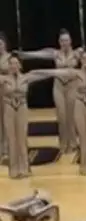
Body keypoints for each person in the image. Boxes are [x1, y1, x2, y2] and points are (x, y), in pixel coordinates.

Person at [0, 55, 65, 178]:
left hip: (22, 109)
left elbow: (43, 73)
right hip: (9, 110)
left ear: (20, 65)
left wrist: (59, 72)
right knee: (11, 139)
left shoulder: (27, 77)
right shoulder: (3, 79)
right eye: (11, 64)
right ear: (8, 66)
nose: (13, 66)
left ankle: (24, 167)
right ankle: (14, 169)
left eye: (15, 63)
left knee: (22, 138)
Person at [18, 29, 82, 153]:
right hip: (58, 86)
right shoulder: (55, 53)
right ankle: (63, 144)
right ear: (59, 42)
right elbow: (39, 54)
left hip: (73, 86)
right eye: (62, 40)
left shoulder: (77, 53)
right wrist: (24, 55)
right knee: (61, 116)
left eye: (67, 40)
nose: (64, 43)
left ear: (71, 41)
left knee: (71, 116)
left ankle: (73, 143)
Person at [0, 33, 11, 161]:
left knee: (6, 119)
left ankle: (8, 148)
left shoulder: (10, 58)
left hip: (7, 90)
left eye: (0, 44)